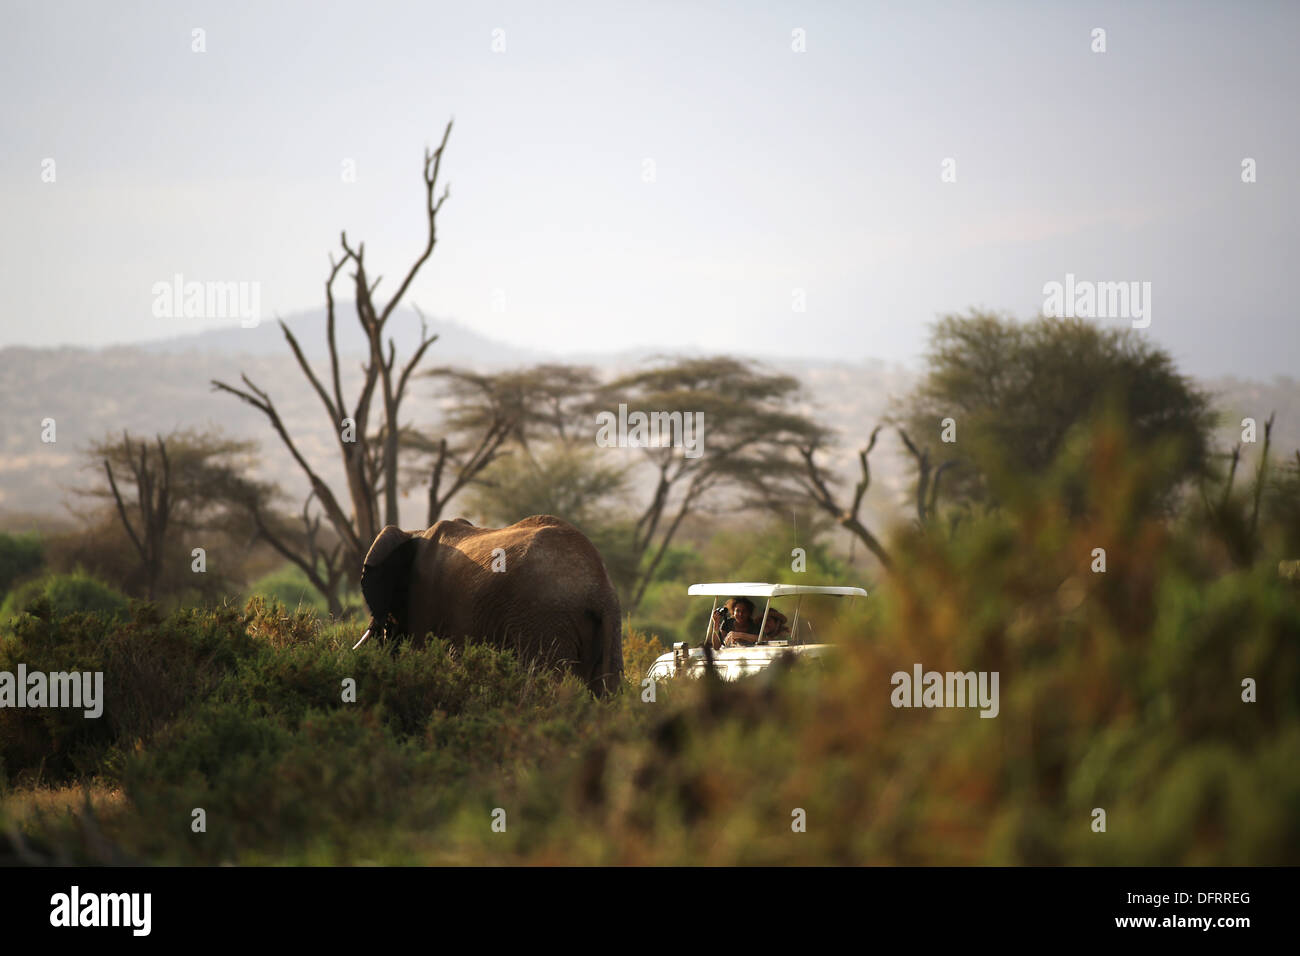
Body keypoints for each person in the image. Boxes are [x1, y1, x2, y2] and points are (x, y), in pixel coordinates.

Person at [705, 596, 789, 648]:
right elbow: (717, 646)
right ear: (733, 612)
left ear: (749, 613)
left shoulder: (754, 625)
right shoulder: (727, 623)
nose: (740, 614)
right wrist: (716, 624)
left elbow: (764, 640)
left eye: (744, 611)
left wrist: (740, 635)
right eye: (738, 611)